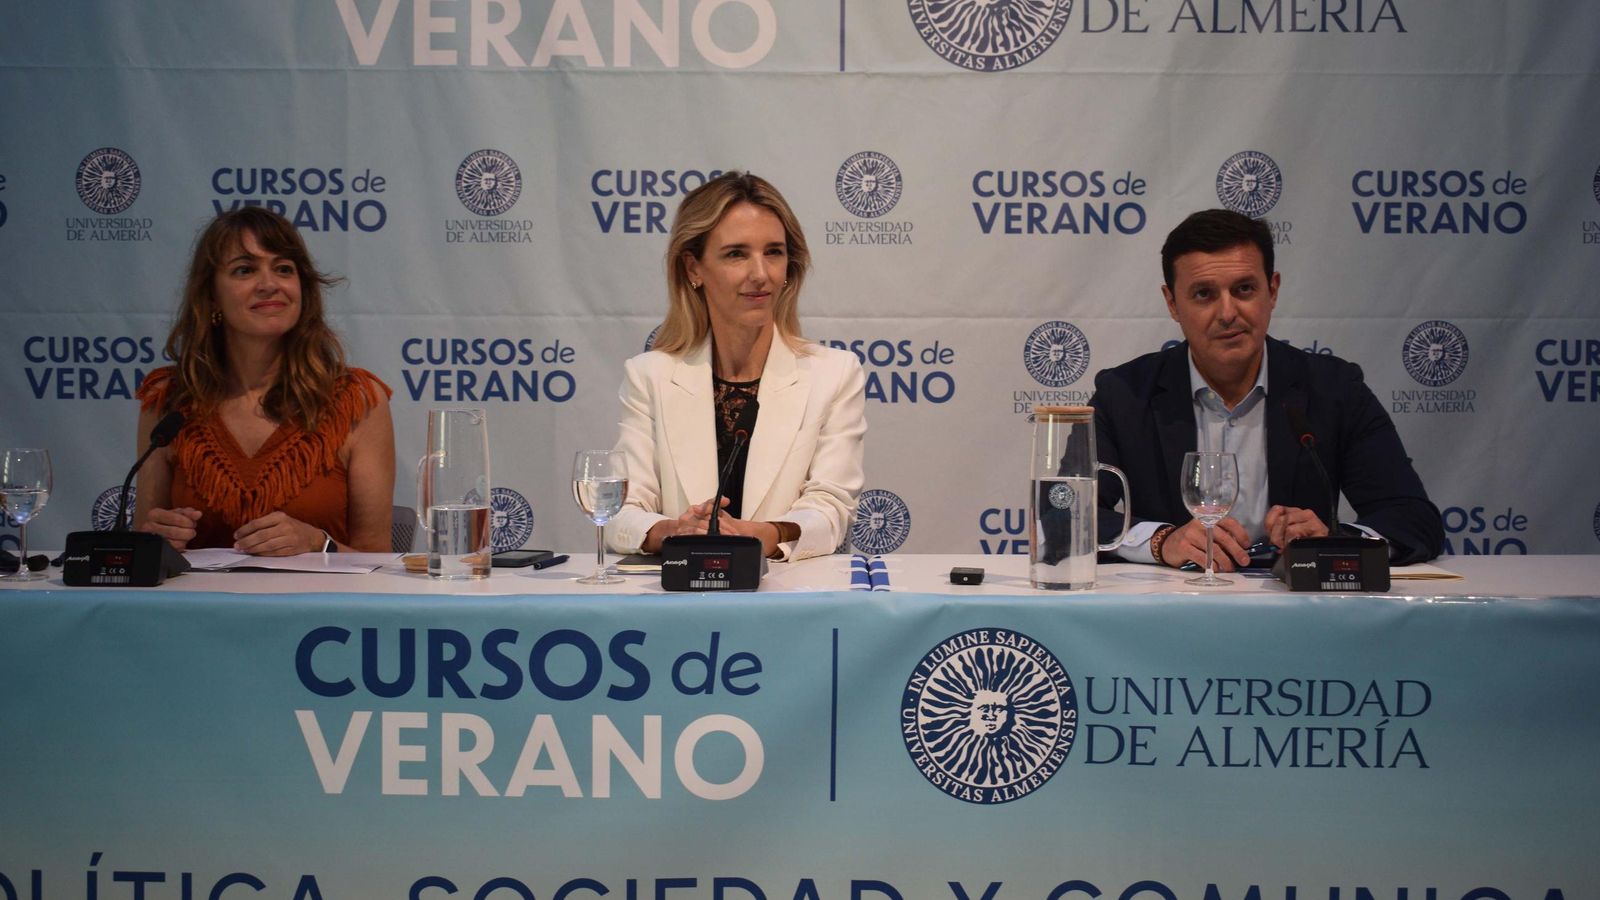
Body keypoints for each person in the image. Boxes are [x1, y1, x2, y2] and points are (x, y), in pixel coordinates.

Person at [1090, 209, 1443, 569]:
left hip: (1300, 609)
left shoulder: (1335, 389)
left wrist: (1336, 540)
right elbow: (1061, 513)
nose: (1227, 312)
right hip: (1171, 606)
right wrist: (1162, 541)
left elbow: (1414, 519)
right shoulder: (1124, 395)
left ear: (1272, 291)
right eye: (1204, 294)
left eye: (1244, 289)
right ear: (1172, 303)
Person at [605, 172, 866, 561]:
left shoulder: (835, 374)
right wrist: (674, 531)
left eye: (774, 252)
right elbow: (620, 514)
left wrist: (765, 534)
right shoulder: (649, 376)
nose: (760, 274)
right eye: (736, 254)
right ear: (694, 268)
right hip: (681, 601)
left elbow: (831, 508)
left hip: (787, 601)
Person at [133, 207, 396, 555]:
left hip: (321, 606)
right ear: (211, 295)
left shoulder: (356, 400)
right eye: (245, 270)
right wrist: (155, 540)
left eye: (284, 269)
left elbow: (379, 561)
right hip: (201, 609)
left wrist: (320, 545)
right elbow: (141, 544)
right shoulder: (168, 399)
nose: (269, 284)